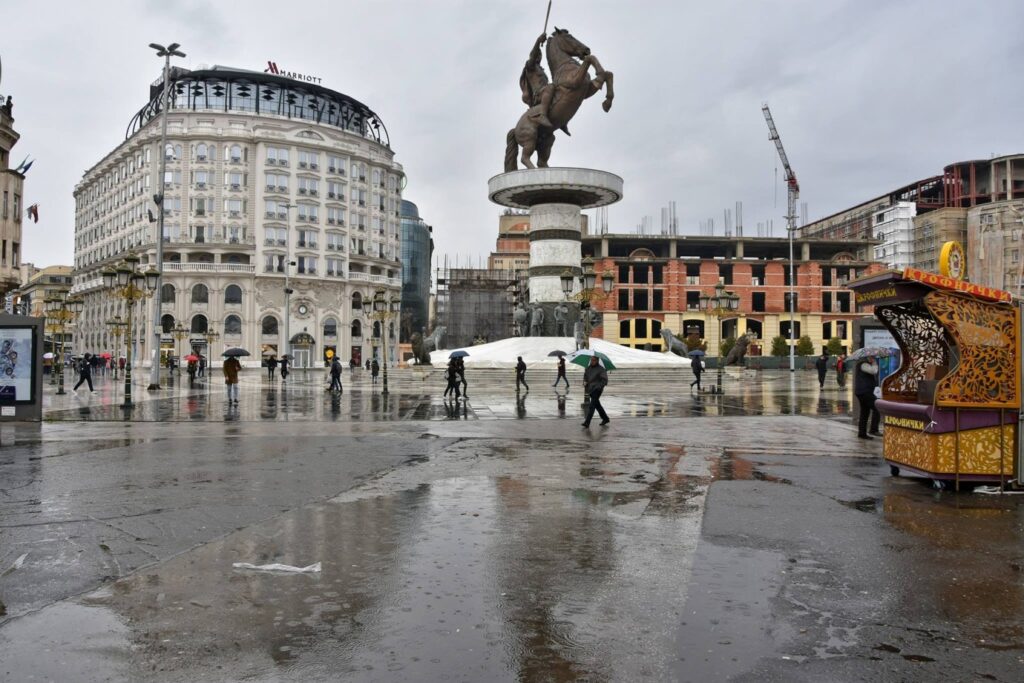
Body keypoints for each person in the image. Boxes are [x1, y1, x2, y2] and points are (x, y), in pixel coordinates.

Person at [854, 356, 882, 439]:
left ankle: (862, 433)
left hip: (863, 391)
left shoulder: (863, 364)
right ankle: (873, 430)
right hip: (865, 391)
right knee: (877, 408)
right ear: (867, 357)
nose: (872, 358)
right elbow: (874, 371)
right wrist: (874, 363)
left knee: (865, 412)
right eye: (871, 357)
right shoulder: (863, 364)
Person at [581, 355, 610, 428]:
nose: (592, 361)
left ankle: (587, 422)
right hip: (590, 389)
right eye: (591, 360)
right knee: (597, 405)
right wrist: (585, 382)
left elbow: (605, 380)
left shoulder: (601, 369)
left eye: (594, 360)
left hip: (597, 390)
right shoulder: (588, 368)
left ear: (597, 361)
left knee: (592, 406)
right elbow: (585, 377)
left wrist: (599, 387)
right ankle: (605, 418)